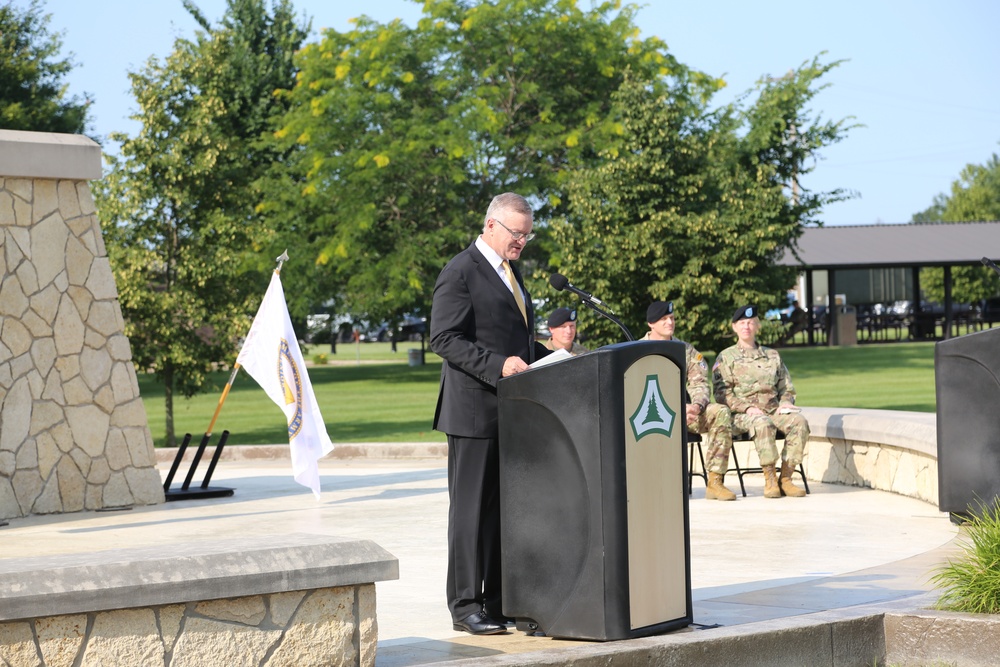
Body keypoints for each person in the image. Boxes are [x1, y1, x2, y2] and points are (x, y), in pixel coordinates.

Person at [429, 192, 551, 636]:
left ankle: (499, 601)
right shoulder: (461, 271)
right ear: (491, 226)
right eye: (517, 233)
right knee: (470, 513)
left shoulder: (511, 272)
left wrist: (555, 357)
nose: (522, 241)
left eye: (527, 234)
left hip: (511, 413)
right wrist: (498, 365)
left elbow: (513, 339)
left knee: (504, 513)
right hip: (473, 414)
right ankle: (465, 606)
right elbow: (443, 338)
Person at [643, 300, 736, 501]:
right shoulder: (638, 351)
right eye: (664, 319)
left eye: (672, 318)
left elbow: (699, 383)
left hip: (686, 415)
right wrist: (673, 409)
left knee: (720, 412)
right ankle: (653, 484)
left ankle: (715, 482)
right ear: (651, 324)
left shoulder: (685, 350)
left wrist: (696, 406)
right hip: (651, 417)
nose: (670, 323)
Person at [713, 305, 809, 499]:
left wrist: (785, 403)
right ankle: (770, 478)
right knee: (762, 422)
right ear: (734, 327)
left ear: (757, 326)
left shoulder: (772, 355)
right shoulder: (726, 357)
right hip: (741, 416)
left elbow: (786, 388)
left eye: (750, 322)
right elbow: (721, 394)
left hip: (773, 410)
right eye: (742, 323)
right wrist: (747, 408)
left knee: (799, 422)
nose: (746, 326)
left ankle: (786, 478)